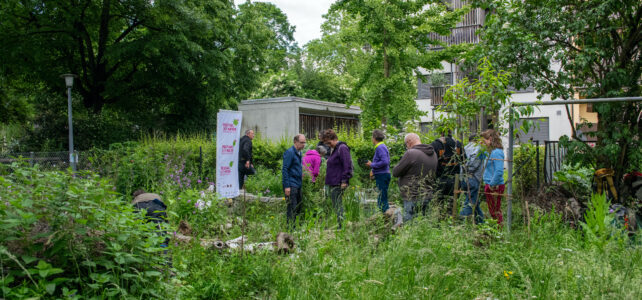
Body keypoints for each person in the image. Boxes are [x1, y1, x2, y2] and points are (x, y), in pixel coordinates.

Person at [392, 133, 438, 222]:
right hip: (427, 194)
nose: (407, 147)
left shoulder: (411, 153)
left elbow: (396, 172)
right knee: (423, 224)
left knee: (410, 226)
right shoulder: (433, 154)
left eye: (406, 145)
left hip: (412, 196)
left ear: (409, 142)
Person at [322, 129, 353, 229]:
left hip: (338, 182)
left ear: (334, 138)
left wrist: (344, 180)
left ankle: (341, 226)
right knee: (336, 205)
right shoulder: (335, 149)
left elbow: (347, 165)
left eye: (329, 142)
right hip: (333, 182)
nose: (328, 145)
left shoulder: (342, 148)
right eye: (326, 143)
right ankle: (341, 225)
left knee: (338, 205)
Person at [432, 130, 464, 208]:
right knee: (453, 205)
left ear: (441, 133)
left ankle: (441, 218)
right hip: (455, 180)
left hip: (440, 179)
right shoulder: (458, 144)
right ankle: (452, 218)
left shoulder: (435, 145)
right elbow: (464, 160)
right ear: (450, 132)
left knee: (439, 205)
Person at [458, 134, 486, 224]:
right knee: (470, 203)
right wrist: (468, 170)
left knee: (475, 202)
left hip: (463, 178)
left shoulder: (464, 148)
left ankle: (481, 223)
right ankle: (459, 220)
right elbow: (474, 164)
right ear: (477, 140)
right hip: (473, 178)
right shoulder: (479, 149)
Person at [481, 129, 505, 225]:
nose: (483, 142)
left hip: (494, 185)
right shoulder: (490, 152)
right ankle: (497, 230)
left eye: (484, 140)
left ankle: (498, 231)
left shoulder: (497, 152)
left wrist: (492, 184)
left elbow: (499, 171)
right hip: (490, 183)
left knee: (495, 211)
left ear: (490, 139)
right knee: (492, 211)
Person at [282, 134, 306, 228]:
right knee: (292, 207)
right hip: (291, 184)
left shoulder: (299, 152)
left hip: (298, 183)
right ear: (295, 142)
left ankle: (295, 227)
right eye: (301, 142)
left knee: (298, 207)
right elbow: (285, 169)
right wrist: (287, 186)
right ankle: (290, 228)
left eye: (304, 142)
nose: (304, 144)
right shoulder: (290, 152)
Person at [366, 129, 391, 213]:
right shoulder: (382, 146)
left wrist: (372, 165)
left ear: (374, 138)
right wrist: (373, 169)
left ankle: (383, 214)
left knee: (382, 195)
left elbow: (385, 162)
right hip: (382, 174)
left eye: (372, 137)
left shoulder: (380, 147)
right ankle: (383, 213)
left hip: (382, 175)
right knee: (382, 195)